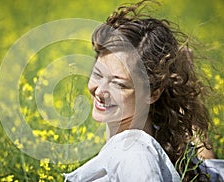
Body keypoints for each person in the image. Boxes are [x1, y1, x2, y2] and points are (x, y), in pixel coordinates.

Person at [64, 0, 224, 181]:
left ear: (153, 93)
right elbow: (205, 168)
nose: (100, 91)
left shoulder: (133, 153)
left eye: (118, 84)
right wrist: (186, 98)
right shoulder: (166, 143)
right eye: (98, 74)